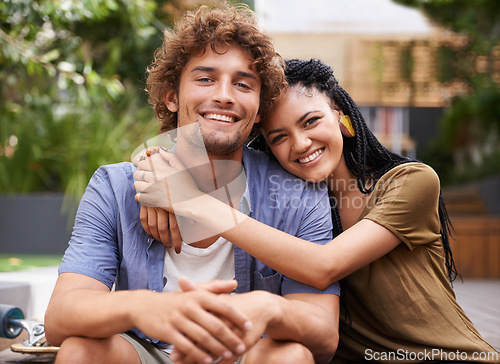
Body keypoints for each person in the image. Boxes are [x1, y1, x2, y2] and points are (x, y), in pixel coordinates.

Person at [136, 58, 500, 363]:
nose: (301, 143)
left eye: (311, 121)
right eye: (279, 137)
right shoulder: (290, 205)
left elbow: (324, 266)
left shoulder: (411, 182)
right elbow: (213, 152)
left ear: (340, 116)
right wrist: (153, 164)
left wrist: (190, 201)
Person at [44, 4, 341, 364]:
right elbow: (60, 317)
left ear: (260, 109)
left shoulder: (296, 192)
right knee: (81, 352)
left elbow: (323, 334)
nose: (225, 95)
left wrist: (268, 308)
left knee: (290, 356)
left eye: (243, 84)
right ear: (172, 96)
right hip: (149, 351)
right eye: (205, 79)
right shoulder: (116, 186)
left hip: (248, 353)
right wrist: (144, 308)